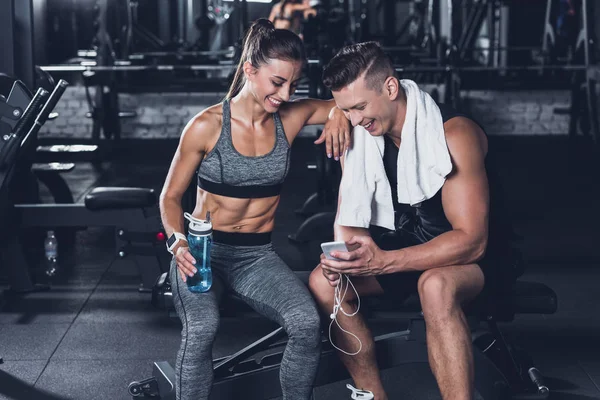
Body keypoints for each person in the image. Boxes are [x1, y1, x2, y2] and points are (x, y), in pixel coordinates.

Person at [308, 42, 514, 400]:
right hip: (410, 246)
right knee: (325, 282)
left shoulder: (454, 135)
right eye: (346, 111)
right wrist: (345, 257)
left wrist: (386, 262)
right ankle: (372, 396)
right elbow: (350, 217)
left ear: (390, 88)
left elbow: (472, 241)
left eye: (359, 107)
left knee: (435, 285)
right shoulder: (361, 134)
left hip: (476, 259)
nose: (355, 120)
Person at [160, 18, 351, 400]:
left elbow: (346, 101)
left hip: (256, 257)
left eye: (293, 85)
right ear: (250, 69)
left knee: (304, 322)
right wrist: (178, 243)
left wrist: (337, 114)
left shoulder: (290, 119)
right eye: (276, 82)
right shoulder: (206, 126)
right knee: (202, 329)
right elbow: (169, 197)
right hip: (201, 253)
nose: (284, 94)